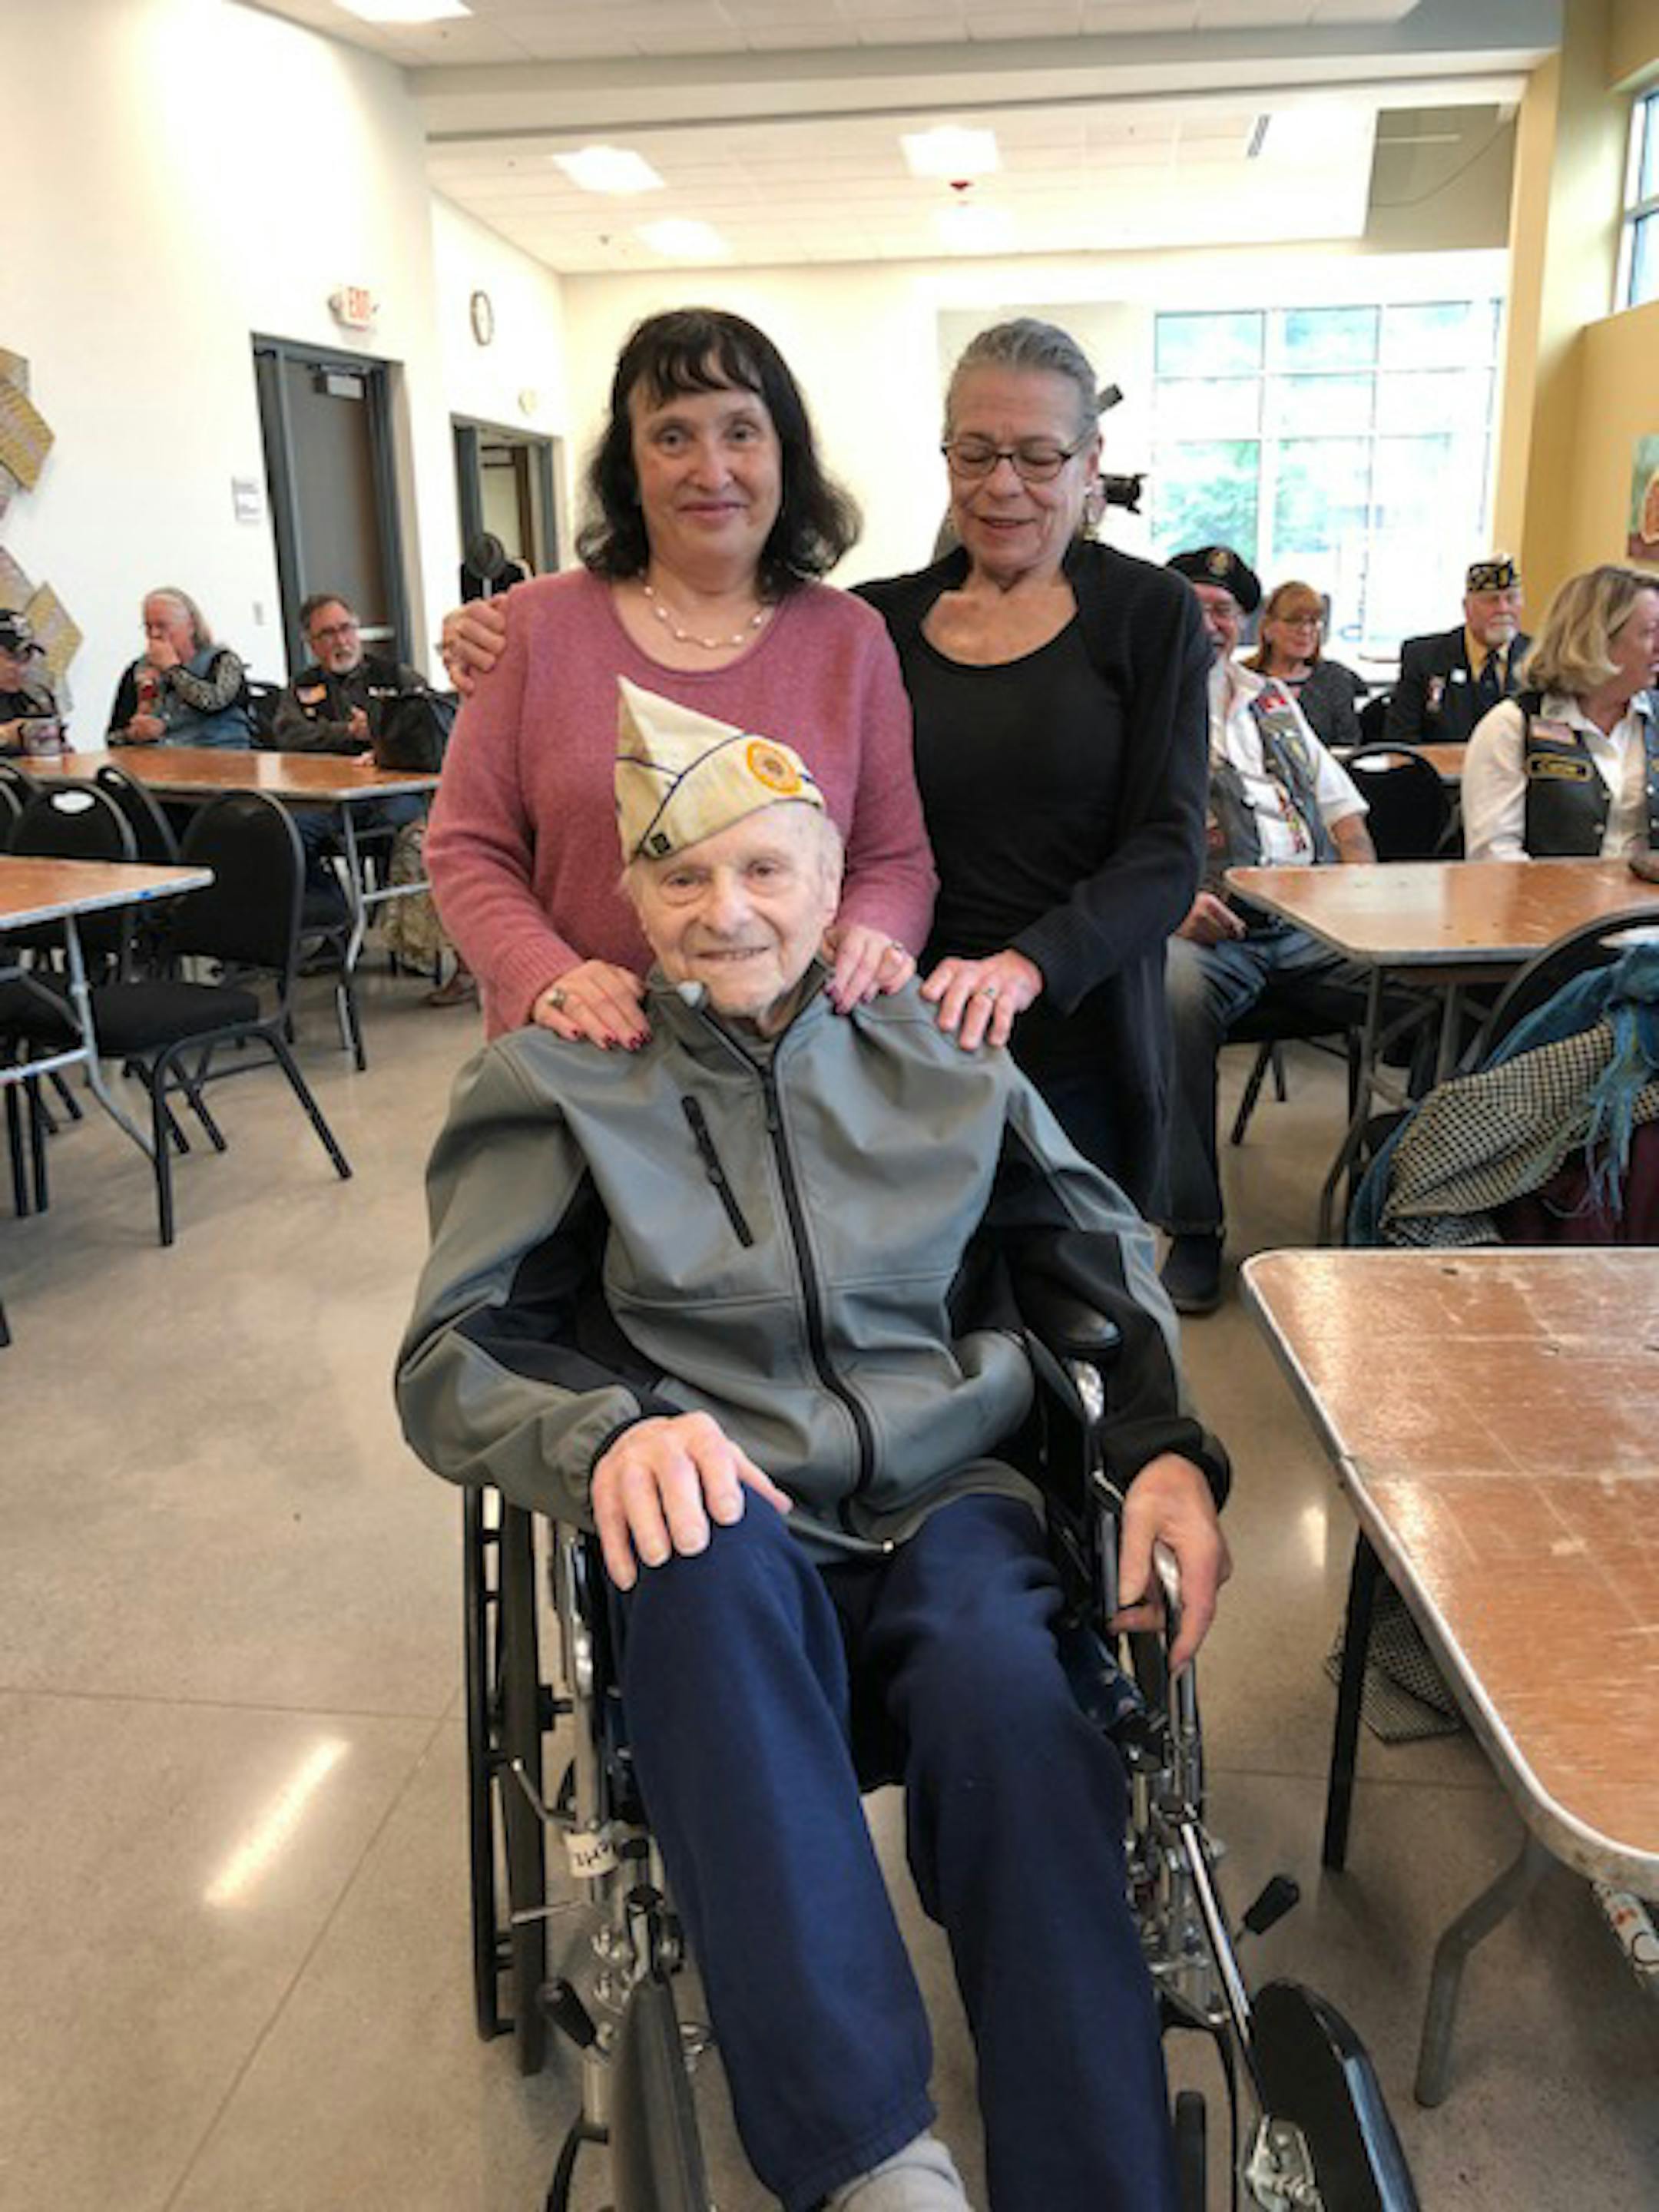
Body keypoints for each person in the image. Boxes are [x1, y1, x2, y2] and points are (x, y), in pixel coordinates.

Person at [397, 684, 1231, 2212]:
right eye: (681, 875)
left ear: (835, 883)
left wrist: (1169, 1450)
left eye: (766, 870)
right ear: (632, 895)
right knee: (694, 1571)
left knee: (1005, 1684)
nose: (725, 911)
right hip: (732, 1503)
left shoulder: (934, 1052)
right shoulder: (559, 1082)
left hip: (949, 1502)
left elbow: (1089, 1261)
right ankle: (876, 2166)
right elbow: (453, 1352)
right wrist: (607, 1436)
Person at [426, 306, 935, 1045]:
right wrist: (546, 974)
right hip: (587, 1070)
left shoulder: (850, 641)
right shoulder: (529, 629)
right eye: (673, 437)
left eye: (740, 432)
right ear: (629, 469)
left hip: (795, 1066)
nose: (712, 470)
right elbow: (467, 849)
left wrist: (868, 937)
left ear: (783, 456)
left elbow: (894, 858)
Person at [856, 318, 1210, 1214]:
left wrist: (1026, 964)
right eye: (974, 453)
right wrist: (521, 635)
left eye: (1038, 457)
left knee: (1069, 1319)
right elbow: (728, 634)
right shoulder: (872, 624)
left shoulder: (1147, 612)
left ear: (1091, 463)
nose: (1002, 486)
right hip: (897, 1038)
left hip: (1073, 1039)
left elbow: (1167, 850)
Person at [1161, 545, 1376, 1315]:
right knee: (1174, 996)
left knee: (1430, 993)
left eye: (1222, 609)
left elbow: (1344, 810)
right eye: (1190, 605)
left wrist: (1359, 890)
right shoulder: (1139, 701)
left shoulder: (1274, 703)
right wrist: (1167, 907)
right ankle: (1193, 1226)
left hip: (1309, 925)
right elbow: (1101, 836)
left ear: (1244, 621)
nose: (1208, 623)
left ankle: (1400, 1203)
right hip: (1201, 927)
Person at [273, 591, 469, 994]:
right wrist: (347, 732)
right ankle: (337, 926)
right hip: (329, 800)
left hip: (390, 797)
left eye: (346, 629)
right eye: (327, 634)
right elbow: (288, 735)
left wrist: (380, 742)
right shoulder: (303, 687)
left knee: (405, 827)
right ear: (311, 643)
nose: (340, 641)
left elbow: (429, 726)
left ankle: (415, 936)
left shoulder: (393, 676)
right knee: (285, 830)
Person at [1462, 564, 1659, 862]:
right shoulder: (1511, 727)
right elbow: (1495, 857)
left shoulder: (1651, 719)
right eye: (1648, 633)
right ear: (1599, 640)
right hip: (1545, 904)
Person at [1384, 555, 1530, 744]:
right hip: (1439, 772)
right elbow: (1401, 740)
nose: (1503, 609)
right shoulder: (1424, 658)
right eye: (1491, 601)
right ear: (1467, 607)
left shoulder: (1540, 659)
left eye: (1512, 599)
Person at [106, 588, 253, 749]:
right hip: (160, 764)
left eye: (162, 626)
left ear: (191, 626)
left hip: (218, 760)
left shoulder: (224, 661)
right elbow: (113, 737)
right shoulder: (138, 669)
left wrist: (173, 670)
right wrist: (134, 734)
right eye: (148, 627)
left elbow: (213, 702)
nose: (154, 634)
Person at [1243, 579, 1368, 750]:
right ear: (1268, 628)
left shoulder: (1335, 679)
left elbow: (1347, 746)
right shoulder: (1243, 679)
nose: (1305, 630)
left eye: (1313, 621)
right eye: (1294, 621)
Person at [0, 611, 65, 755]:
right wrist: (5, 736)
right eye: (12, 658)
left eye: (26, 658)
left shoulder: (36, 698)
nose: (21, 668)